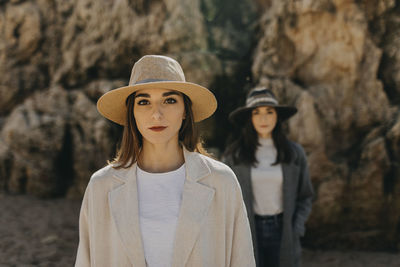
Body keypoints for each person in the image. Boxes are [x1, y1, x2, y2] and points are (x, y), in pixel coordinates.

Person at [75, 55, 255, 267]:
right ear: (131, 113)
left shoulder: (221, 181)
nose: (156, 114)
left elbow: (242, 260)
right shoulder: (101, 186)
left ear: (185, 111)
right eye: (143, 102)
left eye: (169, 100)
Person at [223, 87, 314, 267]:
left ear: (277, 116)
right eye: (257, 113)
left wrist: (296, 228)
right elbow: (225, 201)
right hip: (248, 229)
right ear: (250, 118)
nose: (263, 118)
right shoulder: (234, 156)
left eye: (269, 112)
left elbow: (305, 196)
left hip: (284, 229)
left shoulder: (294, 154)